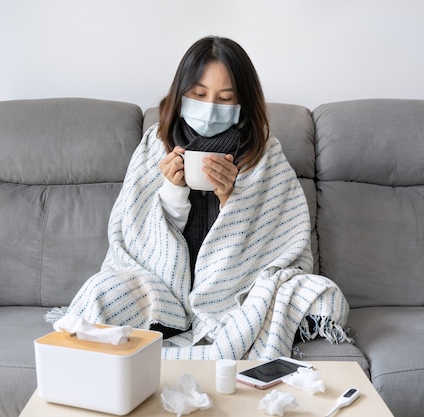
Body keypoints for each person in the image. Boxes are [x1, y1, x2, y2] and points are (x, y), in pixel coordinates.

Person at [64, 36, 350, 360]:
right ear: (181, 93)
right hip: (161, 288)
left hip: (237, 292)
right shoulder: (155, 143)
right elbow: (133, 233)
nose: (210, 108)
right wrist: (173, 191)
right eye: (199, 95)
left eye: (225, 99)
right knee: (101, 292)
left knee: (317, 294)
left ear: (243, 103)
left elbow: (279, 243)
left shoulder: (264, 153)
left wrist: (232, 199)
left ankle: (216, 336)